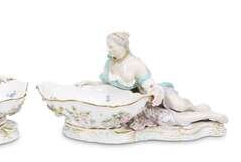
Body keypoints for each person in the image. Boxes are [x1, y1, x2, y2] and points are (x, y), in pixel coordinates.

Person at [79, 32, 227, 129]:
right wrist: (90, 83)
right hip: (139, 102)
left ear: (122, 46)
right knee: (170, 119)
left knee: (178, 105)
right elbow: (109, 85)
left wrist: (156, 94)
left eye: (111, 47)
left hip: (153, 94)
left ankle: (196, 108)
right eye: (108, 47)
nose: (109, 50)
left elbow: (150, 85)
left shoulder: (135, 64)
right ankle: (208, 115)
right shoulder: (110, 62)